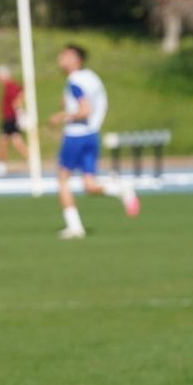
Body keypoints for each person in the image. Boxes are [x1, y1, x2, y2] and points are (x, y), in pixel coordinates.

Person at [49, 44, 138, 239]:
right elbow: (99, 103)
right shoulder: (92, 77)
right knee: (89, 185)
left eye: (66, 55)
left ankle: (74, 227)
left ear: (76, 59)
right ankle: (122, 189)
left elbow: (84, 110)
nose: (61, 58)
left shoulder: (75, 81)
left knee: (63, 179)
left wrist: (61, 116)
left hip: (76, 135)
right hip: (92, 134)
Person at [0, 64, 28, 177]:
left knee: (4, 140)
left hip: (11, 117)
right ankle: (30, 160)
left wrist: (20, 113)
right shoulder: (10, 86)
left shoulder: (10, 86)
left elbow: (17, 99)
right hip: (10, 117)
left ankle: (1, 164)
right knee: (15, 140)